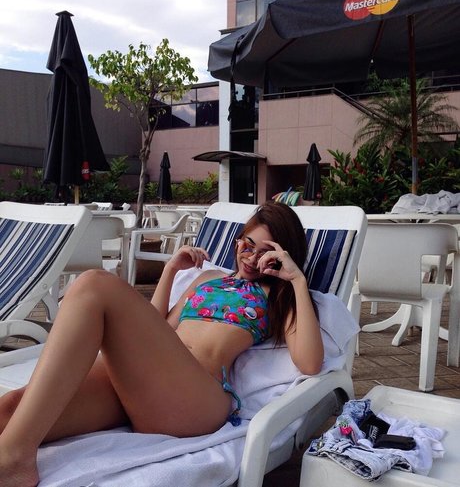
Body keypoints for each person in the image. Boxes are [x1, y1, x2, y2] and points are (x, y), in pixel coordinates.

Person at [0, 201, 324, 487]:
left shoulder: (278, 295)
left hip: (198, 398)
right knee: (9, 409)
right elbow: (155, 329)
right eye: (247, 245)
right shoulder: (206, 279)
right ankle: (12, 454)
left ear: (281, 256)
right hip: (152, 387)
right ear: (238, 240)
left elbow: (310, 363)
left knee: (93, 284)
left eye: (265, 252)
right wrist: (170, 270)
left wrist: (296, 279)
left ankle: (15, 461)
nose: (251, 258)